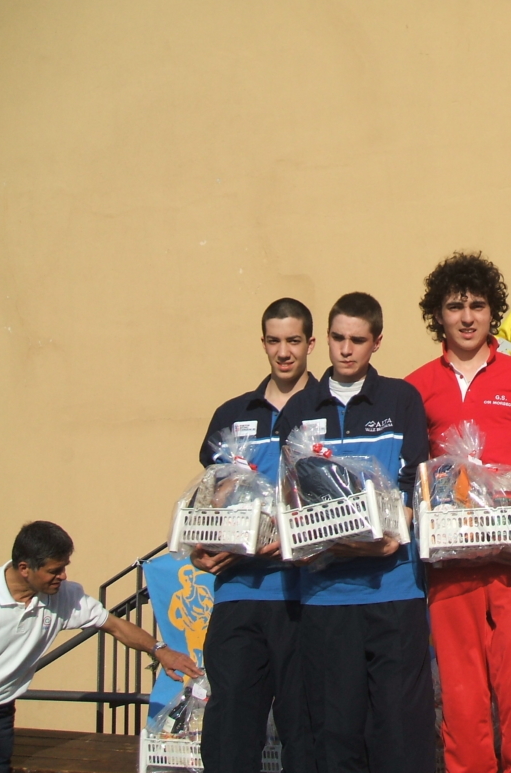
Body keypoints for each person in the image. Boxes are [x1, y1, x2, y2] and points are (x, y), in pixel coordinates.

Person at [276, 291, 435, 773]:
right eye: (338, 338)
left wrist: (393, 530)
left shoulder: (401, 399)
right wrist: (304, 540)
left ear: (377, 342)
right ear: (326, 338)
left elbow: (417, 483)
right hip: (325, 596)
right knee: (335, 734)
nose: (346, 350)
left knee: (400, 733)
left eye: (358, 340)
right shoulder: (299, 407)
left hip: (395, 589)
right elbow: (289, 494)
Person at [406, 252, 511, 773]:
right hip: (451, 566)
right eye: (455, 307)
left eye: (477, 306)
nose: (467, 318)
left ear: (493, 312)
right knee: (462, 696)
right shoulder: (416, 386)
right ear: (438, 316)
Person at [191, 297, 317, 773]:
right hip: (239, 593)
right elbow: (210, 495)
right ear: (263, 343)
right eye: (273, 341)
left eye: (293, 341)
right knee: (230, 727)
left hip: (306, 595)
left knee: (305, 729)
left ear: (310, 344)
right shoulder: (232, 413)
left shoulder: (329, 409)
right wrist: (200, 546)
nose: (283, 352)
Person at [0, 521, 201, 773]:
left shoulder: (64, 596)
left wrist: (161, 651)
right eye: (54, 570)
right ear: (24, 568)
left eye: (64, 567)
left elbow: (115, 625)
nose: (63, 576)